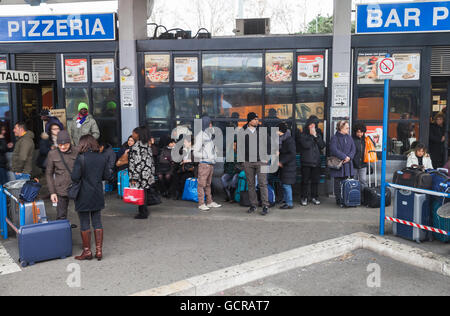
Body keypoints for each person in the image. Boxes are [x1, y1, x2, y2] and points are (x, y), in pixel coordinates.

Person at [71, 135, 110, 261]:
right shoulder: (102, 157)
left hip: (83, 194)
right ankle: (99, 251)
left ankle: (87, 251)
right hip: (97, 193)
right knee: (97, 221)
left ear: (83, 144)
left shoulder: (81, 158)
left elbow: (75, 177)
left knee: (84, 222)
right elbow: (107, 175)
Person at [241, 112, 270, 216]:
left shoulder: (262, 130)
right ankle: (253, 205)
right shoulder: (242, 131)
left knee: (263, 183)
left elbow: (269, 143)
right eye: (255, 119)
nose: (257, 121)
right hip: (248, 162)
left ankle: (265, 205)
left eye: (258, 119)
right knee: (251, 185)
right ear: (249, 121)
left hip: (261, 161)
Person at [46, 130, 78, 220]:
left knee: (83, 214)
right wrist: (52, 192)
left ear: (70, 143)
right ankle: (62, 232)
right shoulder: (52, 154)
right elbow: (49, 174)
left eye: (66, 144)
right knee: (61, 215)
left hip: (76, 187)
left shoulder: (77, 151)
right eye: (60, 145)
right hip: (60, 189)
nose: (63, 147)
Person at [193, 116, 222, 212]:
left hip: (210, 164)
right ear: (205, 124)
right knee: (201, 184)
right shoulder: (200, 136)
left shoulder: (208, 135)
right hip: (204, 164)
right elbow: (195, 152)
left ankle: (209, 202)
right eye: (209, 123)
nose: (211, 125)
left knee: (208, 184)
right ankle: (201, 204)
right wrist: (206, 156)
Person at [128, 126, 156, 220]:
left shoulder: (136, 146)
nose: (132, 135)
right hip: (147, 173)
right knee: (144, 192)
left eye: (134, 133)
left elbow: (136, 163)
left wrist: (134, 177)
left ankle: (142, 213)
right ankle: (144, 211)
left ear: (138, 134)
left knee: (140, 193)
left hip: (139, 174)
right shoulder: (147, 145)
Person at [298, 115, 326, 206]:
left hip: (316, 161)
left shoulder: (318, 134)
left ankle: (314, 197)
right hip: (306, 162)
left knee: (315, 181)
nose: (312, 127)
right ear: (308, 125)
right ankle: (304, 197)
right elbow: (305, 145)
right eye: (311, 125)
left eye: (314, 125)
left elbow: (322, 145)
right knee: (305, 181)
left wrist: (316, 136)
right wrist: (312, 136)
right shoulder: (303, 134)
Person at [329, 121, 356, 207]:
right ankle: (339, 200)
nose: (348, 129)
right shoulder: (335, 138)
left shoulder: (349, 137)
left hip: (348, 164)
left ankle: (347, 199)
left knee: (347, 182)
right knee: (338, 183)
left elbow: (353, 149)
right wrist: (344, 157)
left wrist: (349, 157)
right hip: (339, 164)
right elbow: (333, 149)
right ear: (341, 128)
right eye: (346, 128)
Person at [277, 122, 296, 209]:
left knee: (286, 185)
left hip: (288, 166)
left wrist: (282, 162)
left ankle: (289, 203)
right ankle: (285, 200)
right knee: (284, 184)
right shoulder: (283, 139)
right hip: (285, 166)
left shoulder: (289, 140)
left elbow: (291, 154)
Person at [352, 122, 371, 188]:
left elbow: (372, 147)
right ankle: (354, 194)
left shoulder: (366, 140)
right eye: (358, 132)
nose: (360, 134)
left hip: (363, 163)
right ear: (355, 132)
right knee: (353, 181)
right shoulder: (352, 140)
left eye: (361, 132)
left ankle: (364, 194)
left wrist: (370, 140)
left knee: (363, 180)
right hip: (354, 163)